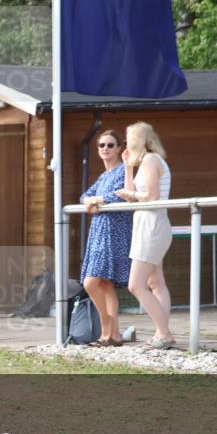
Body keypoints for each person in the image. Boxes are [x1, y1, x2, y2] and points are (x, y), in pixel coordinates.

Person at [116, 122, 174, 349]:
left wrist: (129, 192)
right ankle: (162, 333)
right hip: (149, 225)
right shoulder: (146, 163)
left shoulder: (151, 160)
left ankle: (164, 332)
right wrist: (128, 167)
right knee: (156, 283)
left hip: (152, 226)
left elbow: (151, 196)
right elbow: (131, 198)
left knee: (136, 284)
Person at [80, 129, 133, 346]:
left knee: (90, 283)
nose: (105, 149)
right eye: (101, 145)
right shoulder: (103, 176)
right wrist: (88, 202)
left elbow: (127, 195)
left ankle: (105, 329)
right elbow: (85, 195)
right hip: (99, 231)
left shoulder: (123, 171)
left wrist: (100, 200)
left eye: (110, 145)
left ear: (119, 148)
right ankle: (115, 335)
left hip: (115, 232)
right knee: (104, 285)